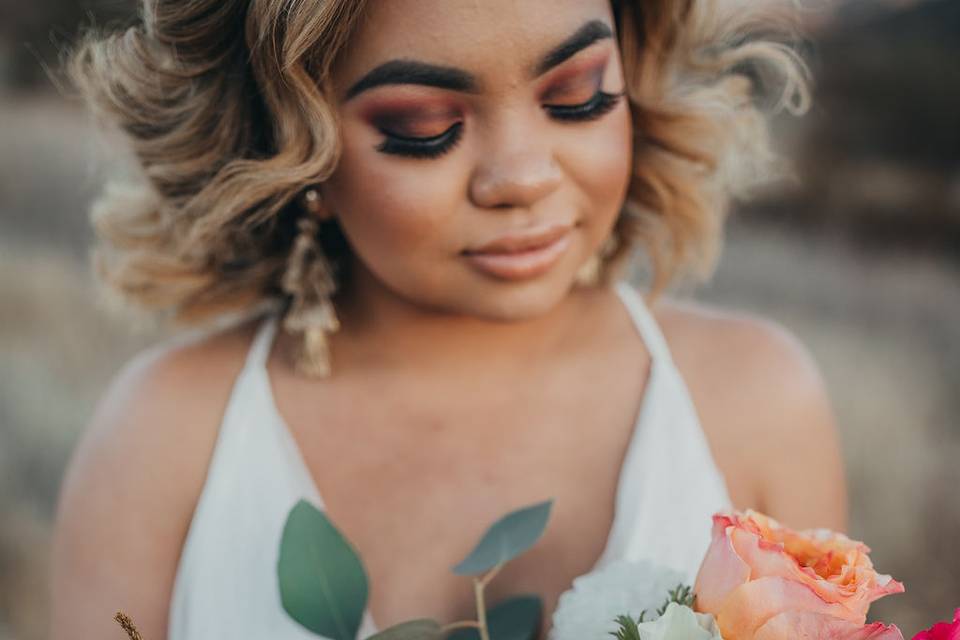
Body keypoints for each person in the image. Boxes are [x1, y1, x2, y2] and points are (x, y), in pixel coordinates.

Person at [49, 1, 848, 638]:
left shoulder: (757, 404)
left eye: (579, 95)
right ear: (293, 145)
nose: (523, 178)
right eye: (424, 127)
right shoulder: (161, 441)